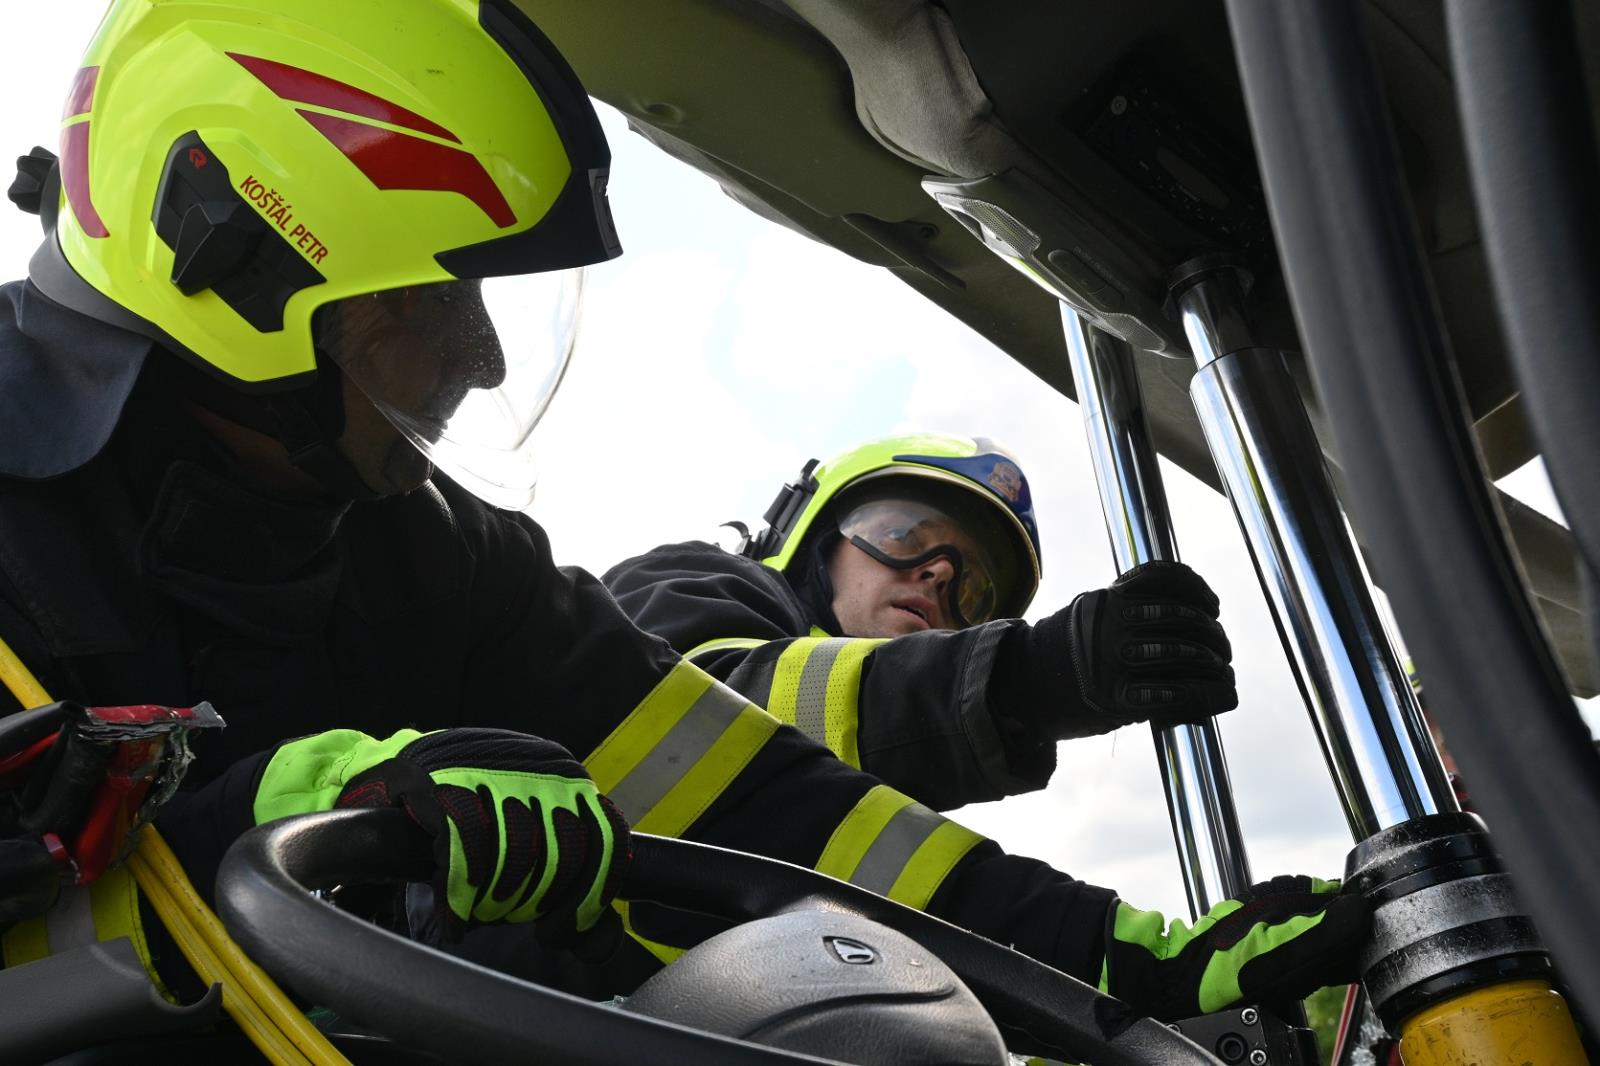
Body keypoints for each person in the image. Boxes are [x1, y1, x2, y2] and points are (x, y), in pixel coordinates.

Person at [0, 0, 1365, 1040]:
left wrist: (1134, 965)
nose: (478, 360)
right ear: (242, 250)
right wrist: (283, 809)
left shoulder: (442, 561)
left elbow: (783, 812)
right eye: (436, 297)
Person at [605, 434, 1238, 810]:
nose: (938, 575)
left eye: (974, 586)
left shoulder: (899, 784)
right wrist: (1039, 673)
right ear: (815, 536)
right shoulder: (682, 583)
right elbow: (703, 713)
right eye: (904, 534)